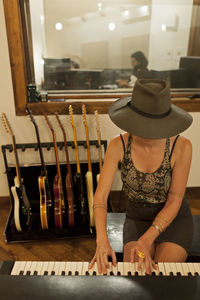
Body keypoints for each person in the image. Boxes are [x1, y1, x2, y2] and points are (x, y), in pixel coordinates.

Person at [88, 79, 193, 275]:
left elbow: (175, 199)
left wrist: (146, 239)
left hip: (174, 218)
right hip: (137, 218)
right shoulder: (117, 145)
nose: (150, 131)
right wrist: (102, 241)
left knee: (163, 276)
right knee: (139, 275)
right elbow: (100, 198)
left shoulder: (182, 146)